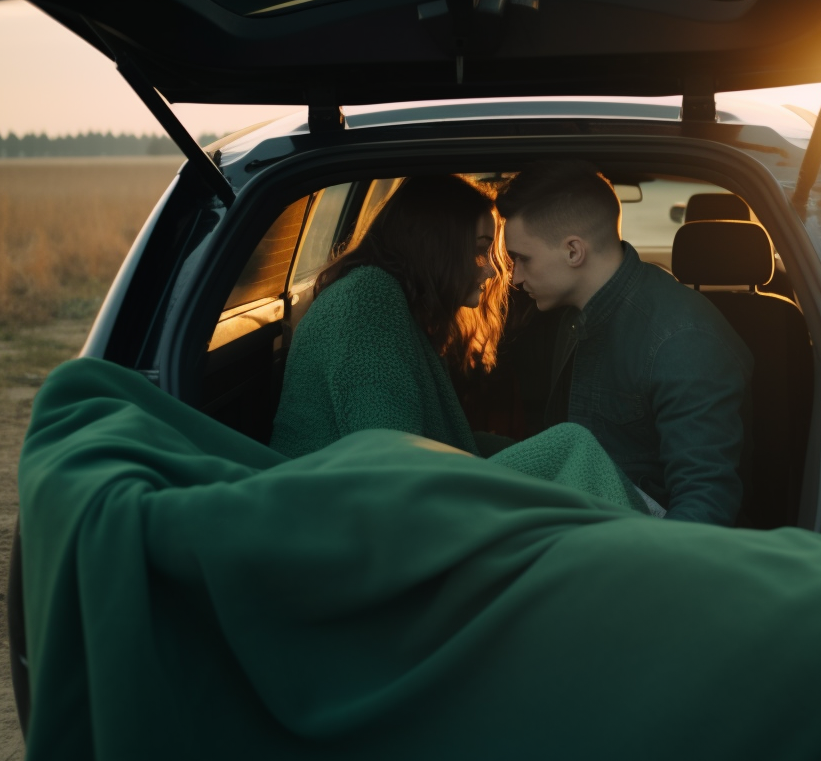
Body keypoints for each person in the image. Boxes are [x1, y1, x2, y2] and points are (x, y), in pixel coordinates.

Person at [267, 174, 649, 514]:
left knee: (564, 449)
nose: (492, 269)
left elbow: (435, 442)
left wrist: (520, 448)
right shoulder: (366, 302)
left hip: (354, 506)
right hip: (334, 521)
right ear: (436, 246)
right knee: (571, 446)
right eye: (482, 248)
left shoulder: (390, 304)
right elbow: (391, 468)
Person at [497, 161, 752, 525]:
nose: (516, 277)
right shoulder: (573, 316)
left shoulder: (682, 340)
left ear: (573, 251)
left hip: (642, 553)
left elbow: (705, 502)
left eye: (522, 259)